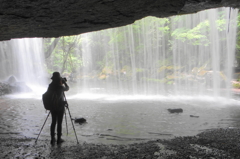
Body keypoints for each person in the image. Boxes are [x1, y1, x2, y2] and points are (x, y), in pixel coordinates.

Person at [47, 72, 69, 145]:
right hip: (60, 107)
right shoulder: (60, 87)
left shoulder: (50, 86)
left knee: (53, 122)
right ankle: (59, 139)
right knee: (59, 123)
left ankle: (52, 138)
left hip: (52, 106)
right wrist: (64, 82)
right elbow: (67, 88)